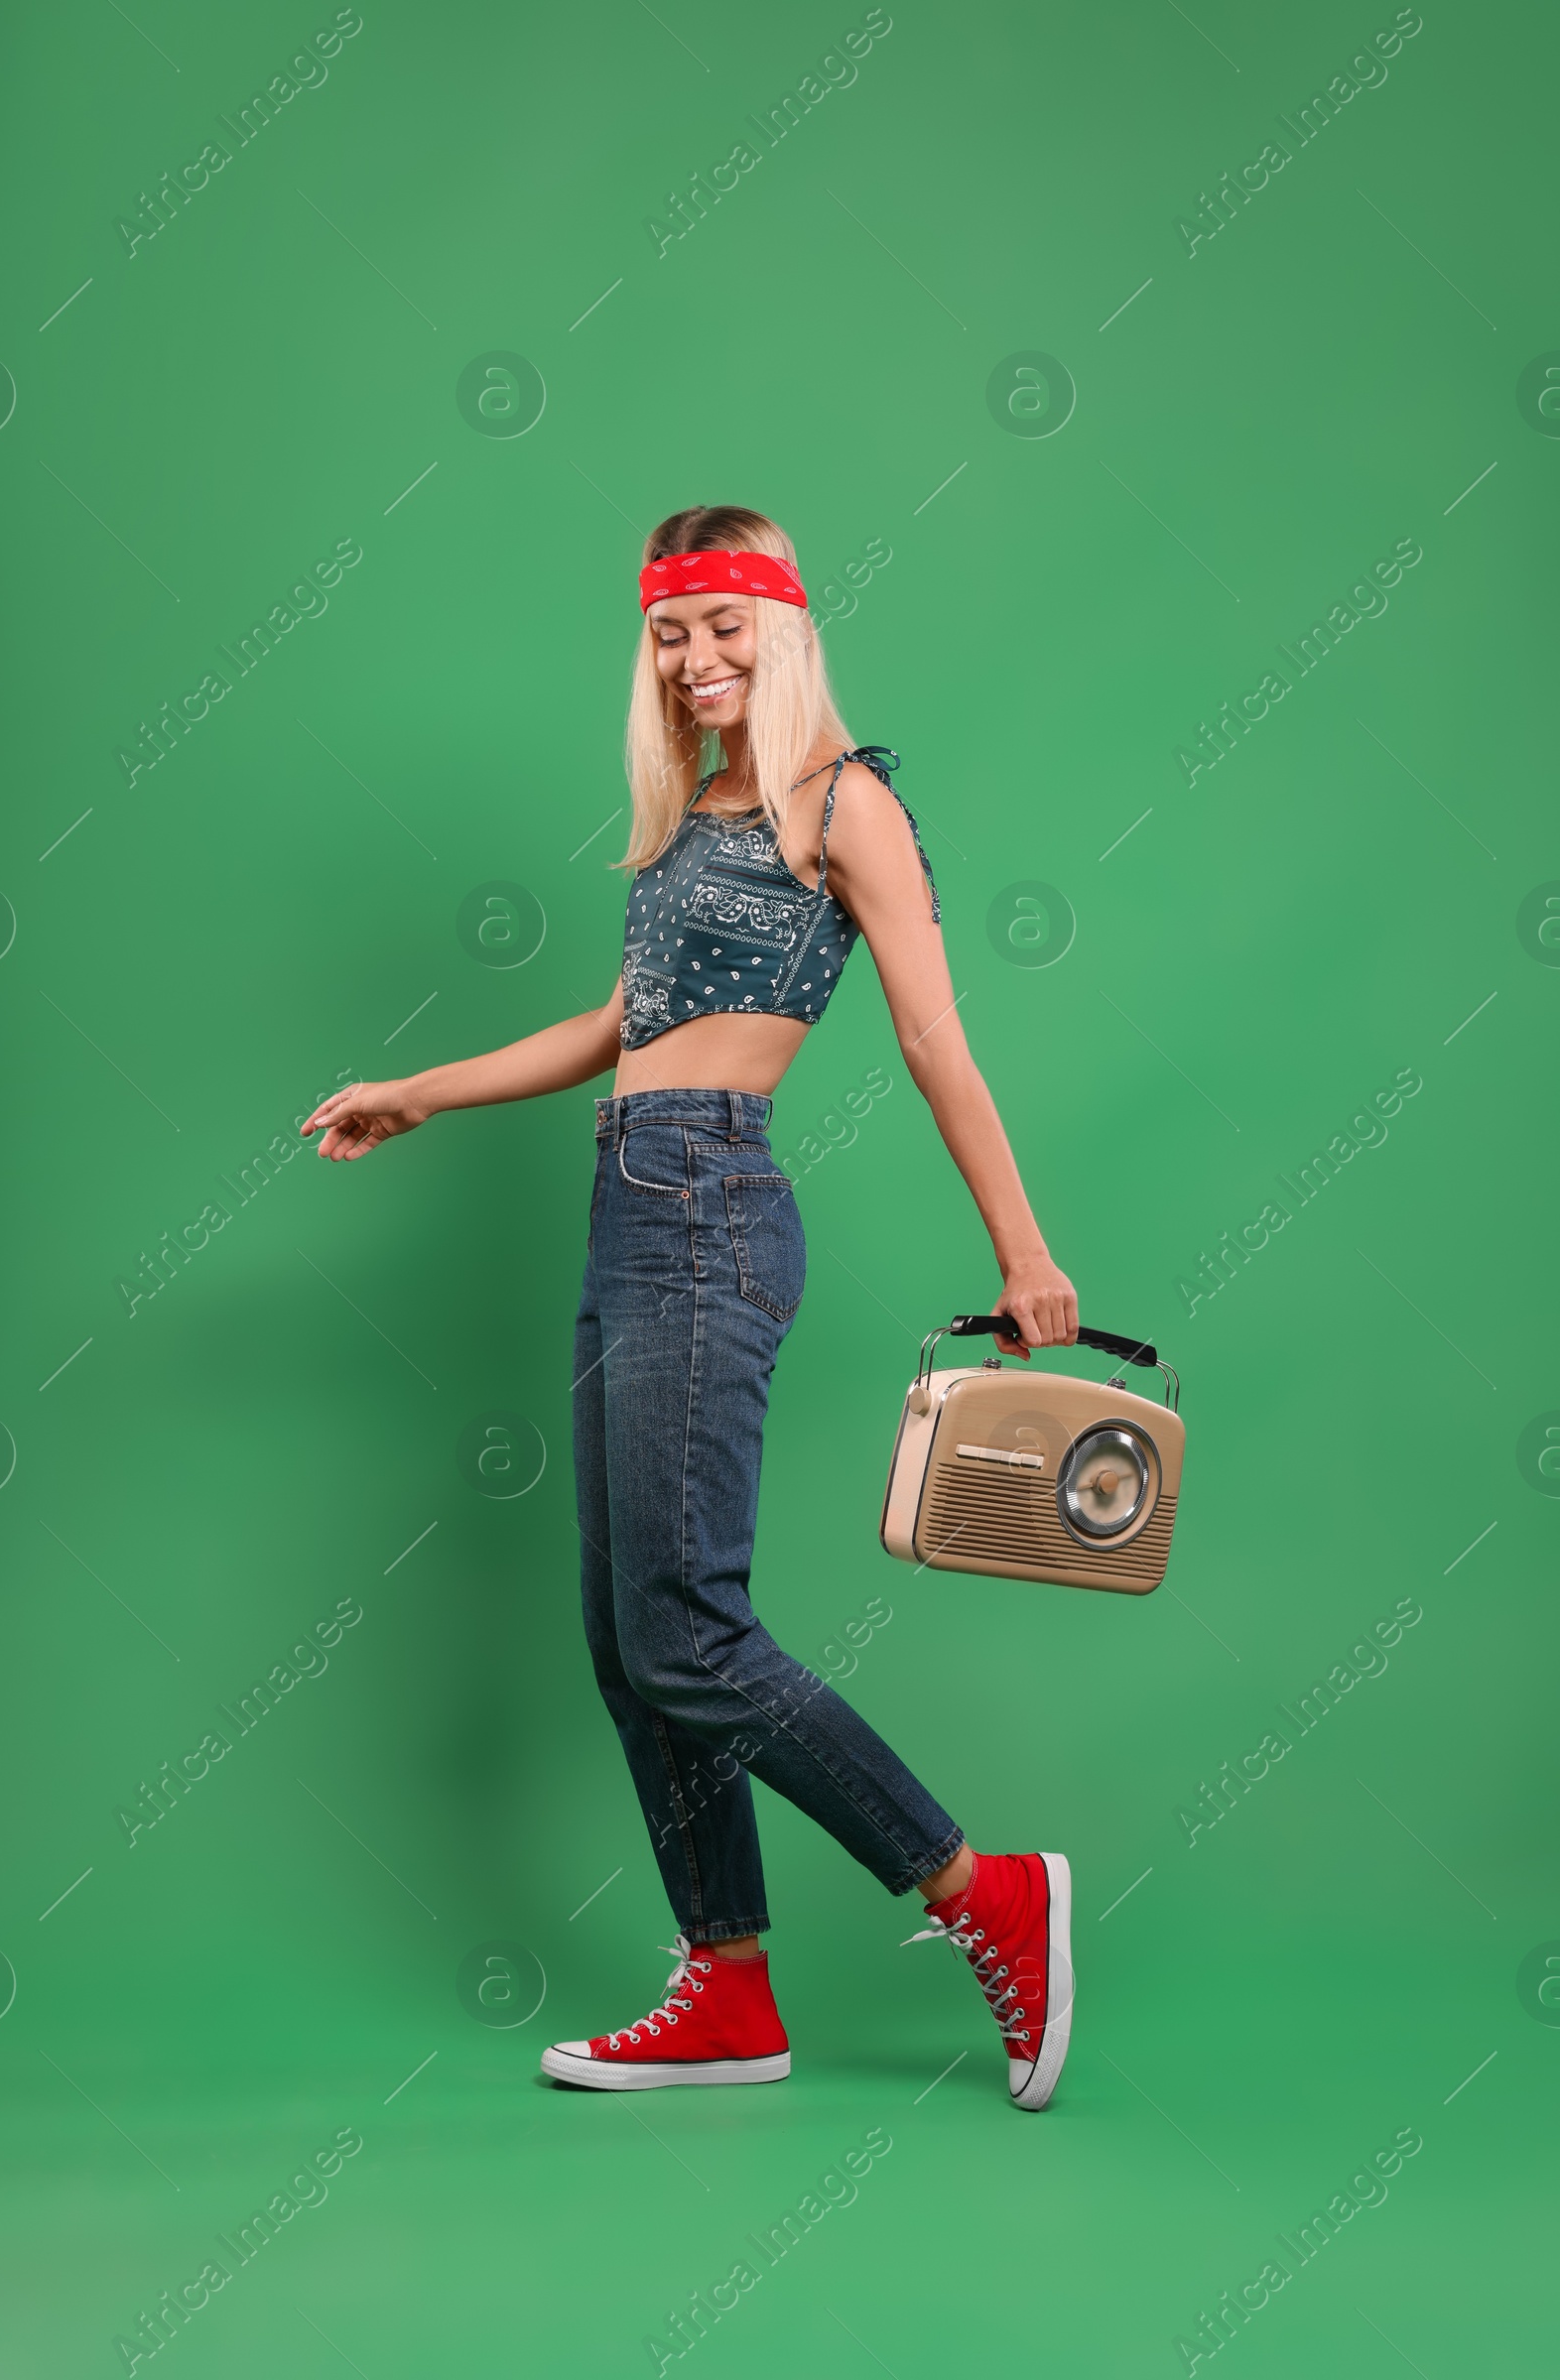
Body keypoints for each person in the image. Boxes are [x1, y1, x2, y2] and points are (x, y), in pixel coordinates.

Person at [302, 505, 1080, 2111]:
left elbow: (936, 1037)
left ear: (786, 627)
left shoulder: (842, 800)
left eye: (726, 622)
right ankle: (727, 1987)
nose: (697, 656)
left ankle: (983, 1891)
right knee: (626, 1641)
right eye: (671, 629)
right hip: (629, 1202)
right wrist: (420, 1093)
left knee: (688, 1630)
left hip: (712, 1208)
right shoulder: (699, 811)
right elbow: (618, 1024)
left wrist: (1024, 1253)